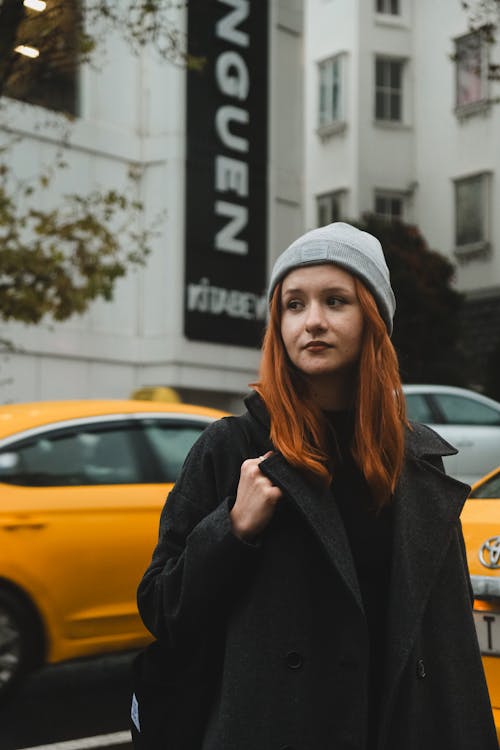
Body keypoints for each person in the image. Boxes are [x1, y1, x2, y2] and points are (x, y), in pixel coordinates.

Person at [136, 222, 498, 749]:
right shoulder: (231, 449)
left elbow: (450, 649)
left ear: (372, 318)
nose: (313, 322)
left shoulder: (417, 463)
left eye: (335, 301)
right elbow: (162, 609)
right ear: (277, 322)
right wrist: (232, 530)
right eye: (294, 304)